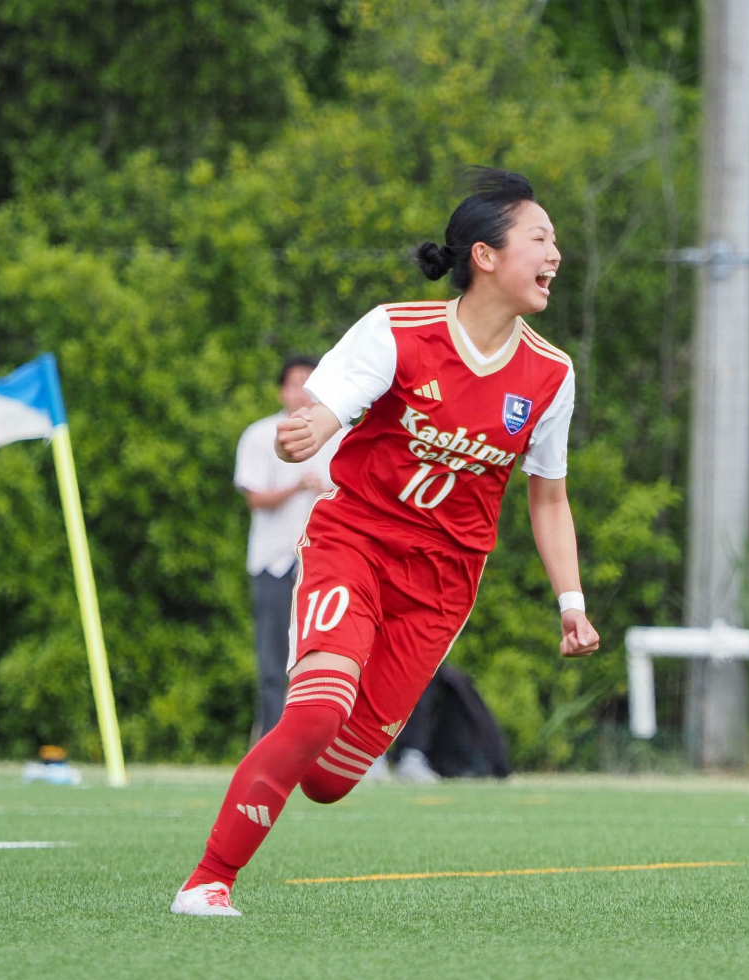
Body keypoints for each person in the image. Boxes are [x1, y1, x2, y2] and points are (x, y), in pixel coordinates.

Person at [173, 168, 599, 915]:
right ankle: (209, 881)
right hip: (355, 546)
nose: (555, 254)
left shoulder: (550, 374)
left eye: (556, 241)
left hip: (439, 592)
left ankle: (306, 759)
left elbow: (550, 497)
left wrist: (571, 600)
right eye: (541, 237)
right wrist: (317, 426)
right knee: (312, 711)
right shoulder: (398, 331)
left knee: (332, 778)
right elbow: (335, 400)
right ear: (486, 255)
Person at [234, 355, 343, 743]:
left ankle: (322, 746)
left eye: (310, 383)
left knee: (324, 657)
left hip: (324, 564)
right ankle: (270, 742)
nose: (301, 392)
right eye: (295, 383)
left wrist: (325, 491)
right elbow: (254, 497)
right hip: (273, 563)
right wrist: (297, 487)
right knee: (271, 660)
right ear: (282, 390)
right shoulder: (260, 434)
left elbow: (352, 496)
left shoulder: (338, 433)